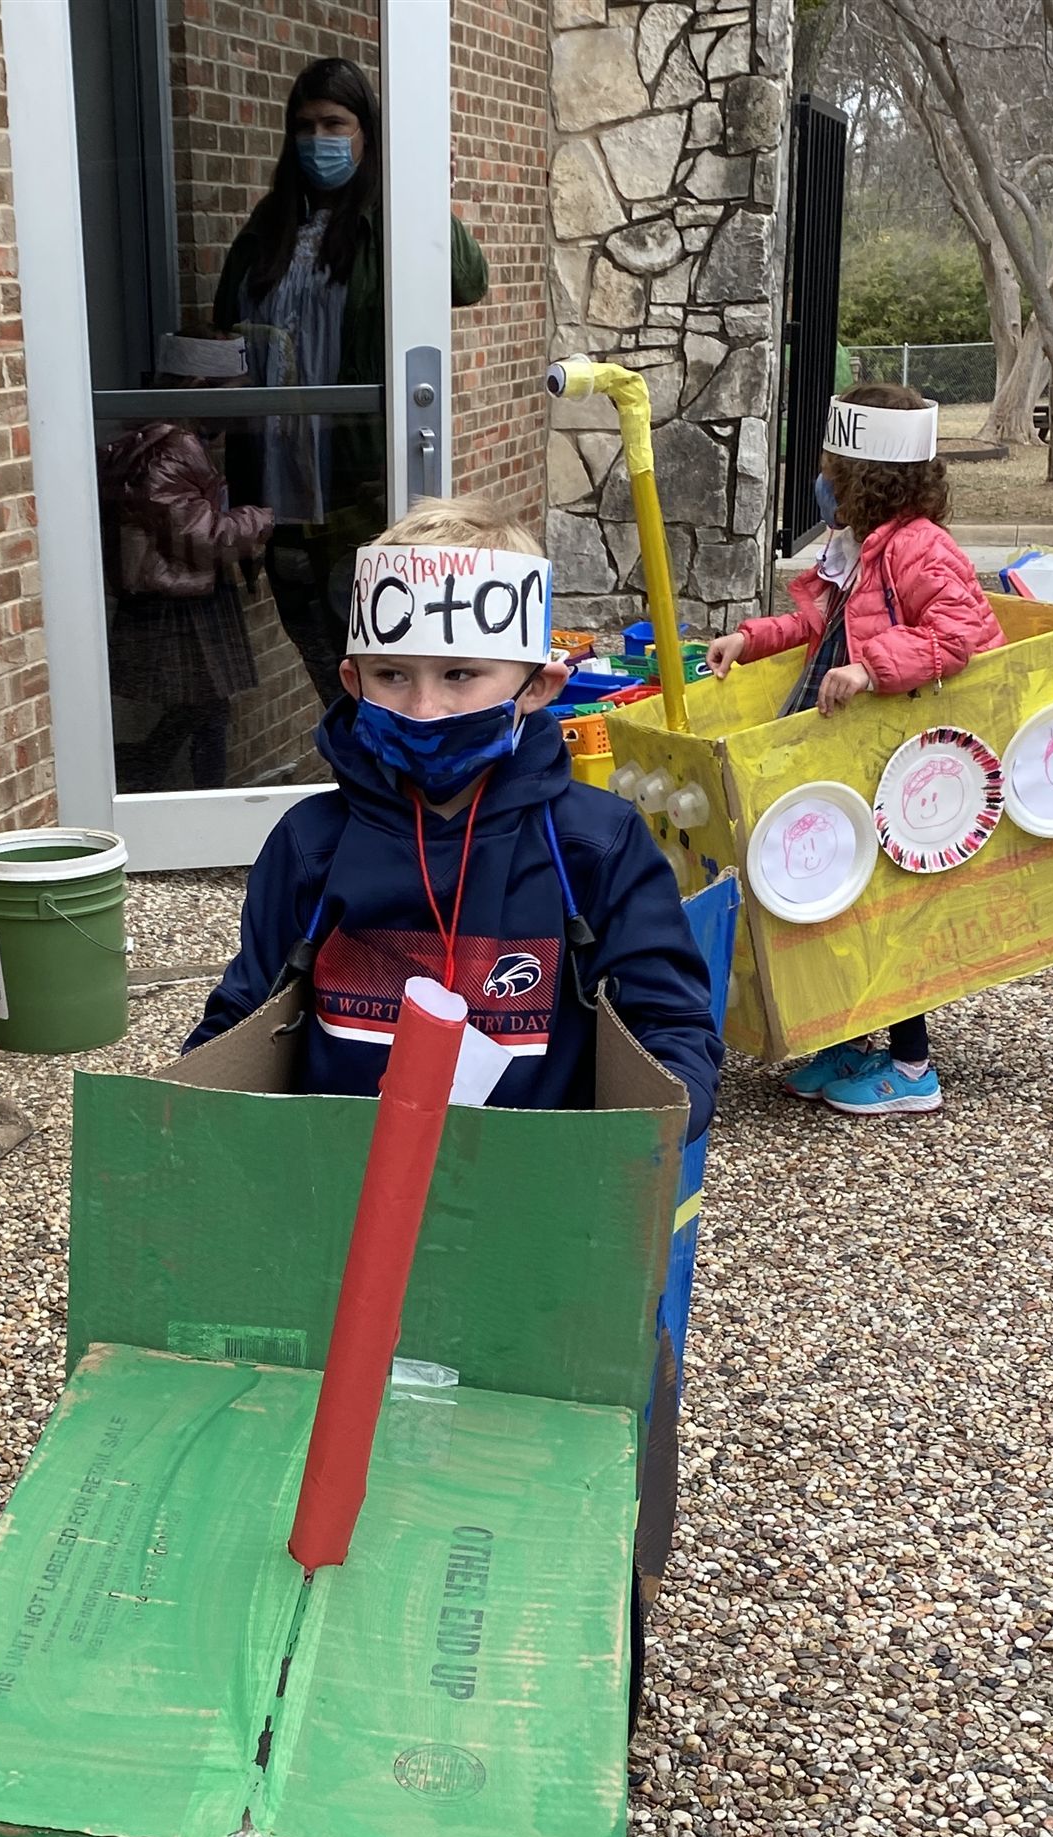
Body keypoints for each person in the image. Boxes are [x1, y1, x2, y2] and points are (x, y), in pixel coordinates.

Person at [184, 497, 722, 1136]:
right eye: (392, 675)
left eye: (460, 674)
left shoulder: (595, 847)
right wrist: (191, 1111)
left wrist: (647, 1135)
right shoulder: (310, 846)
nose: (425, 707)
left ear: (540, 687)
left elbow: (669, 1028)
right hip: (337, 1190)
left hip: (530, 1195)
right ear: (353, 683)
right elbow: (245, 1016)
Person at [705, 383, 1004, 1120]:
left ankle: (911, 1066)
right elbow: (819, 621)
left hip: (895, 751)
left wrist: (872, 668)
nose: (821, 480)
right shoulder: (859, 546)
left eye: (831, 468)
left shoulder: (918, 547)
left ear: (865, 477)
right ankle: (854, 1032)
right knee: (837, 884)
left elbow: (960, 631)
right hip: (851, 738)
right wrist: (750, 640)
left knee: (886, 901)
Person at [213, 57, 489, 709]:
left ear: (367, 132)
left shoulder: (388, 217)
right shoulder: (268, 226)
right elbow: (226, 324)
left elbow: (467, 281)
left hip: (358, 488)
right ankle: (359, 788)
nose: (319, 140)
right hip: (279, 489)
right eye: (305, 126)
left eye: (335, 123)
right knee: (326, 673)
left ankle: (385, 795)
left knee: (380, 667)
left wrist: (421, 187)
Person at [97, 332, 275, 792]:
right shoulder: (172, 448)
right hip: (178, 599)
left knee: (202, 708)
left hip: (178, 592)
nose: (239, 410)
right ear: (198, 387)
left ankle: (147, 775)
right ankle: (171, 788)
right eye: (234, 394)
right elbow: (198, 535)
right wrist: (261, 518)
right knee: (208, 711)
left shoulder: (164, 438)